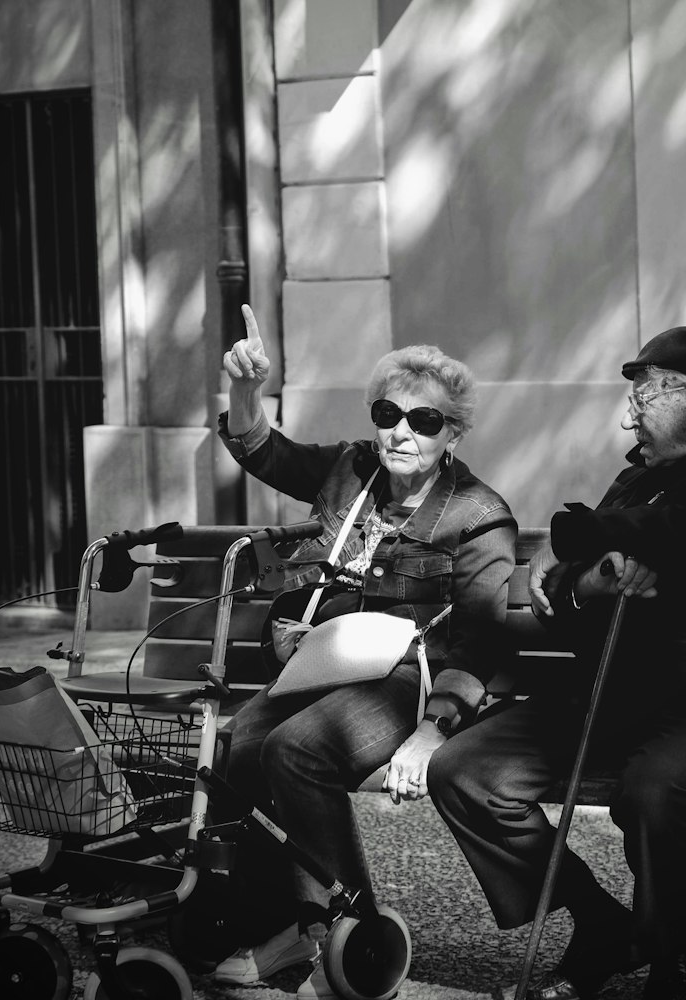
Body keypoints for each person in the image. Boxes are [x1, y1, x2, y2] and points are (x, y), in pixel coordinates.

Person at [428, 326, 686, 1000]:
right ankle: (604, 925)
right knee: (466, 771)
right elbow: (558, 586)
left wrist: (609, 537)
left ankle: (676, 957)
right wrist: (596, 579)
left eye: (643, 402)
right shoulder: (635, 482)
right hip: (620, 689)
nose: (627, 417)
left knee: (654, 792)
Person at [211, 305, 518, 998]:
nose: (402, 431)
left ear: (454, 432)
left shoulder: (478, 514)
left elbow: (481, 637)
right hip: (327, 663)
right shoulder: (350, 471)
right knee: (236, 748)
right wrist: (244, 390)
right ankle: (281, 927)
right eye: (389, 413)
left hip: (409, 680)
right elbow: (264, 450)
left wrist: (434, 730)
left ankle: (355, 928)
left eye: (426, 421)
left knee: (295, 750)